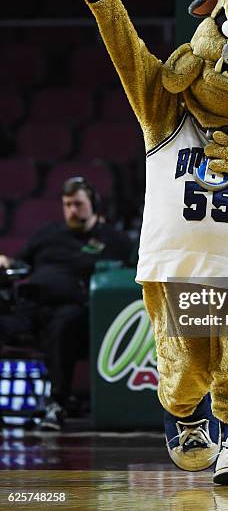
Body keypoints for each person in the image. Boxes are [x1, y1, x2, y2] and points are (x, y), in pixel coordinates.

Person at [0, 177, 133, 430]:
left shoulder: (113, 240)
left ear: (93, 204)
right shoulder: (48, 234)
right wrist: (4, 261)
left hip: (75, 311)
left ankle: (56, 403)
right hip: (30, 306)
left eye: (78, 204)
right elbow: (17, 263)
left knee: (64, 324)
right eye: (67, 204)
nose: (72, 210)